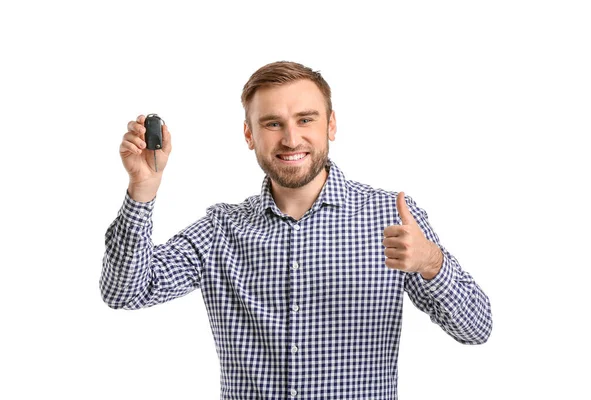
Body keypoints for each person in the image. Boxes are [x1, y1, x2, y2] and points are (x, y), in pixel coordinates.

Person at [101, 61, 492, 399]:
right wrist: (142, 190)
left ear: (331, 124)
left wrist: (431, 263)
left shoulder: (391, 218)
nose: (291, 139)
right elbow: (125, 292)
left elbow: (477, 328)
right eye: (273, 123)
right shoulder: (220, 230)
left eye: (306, 119)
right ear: (249, 135)